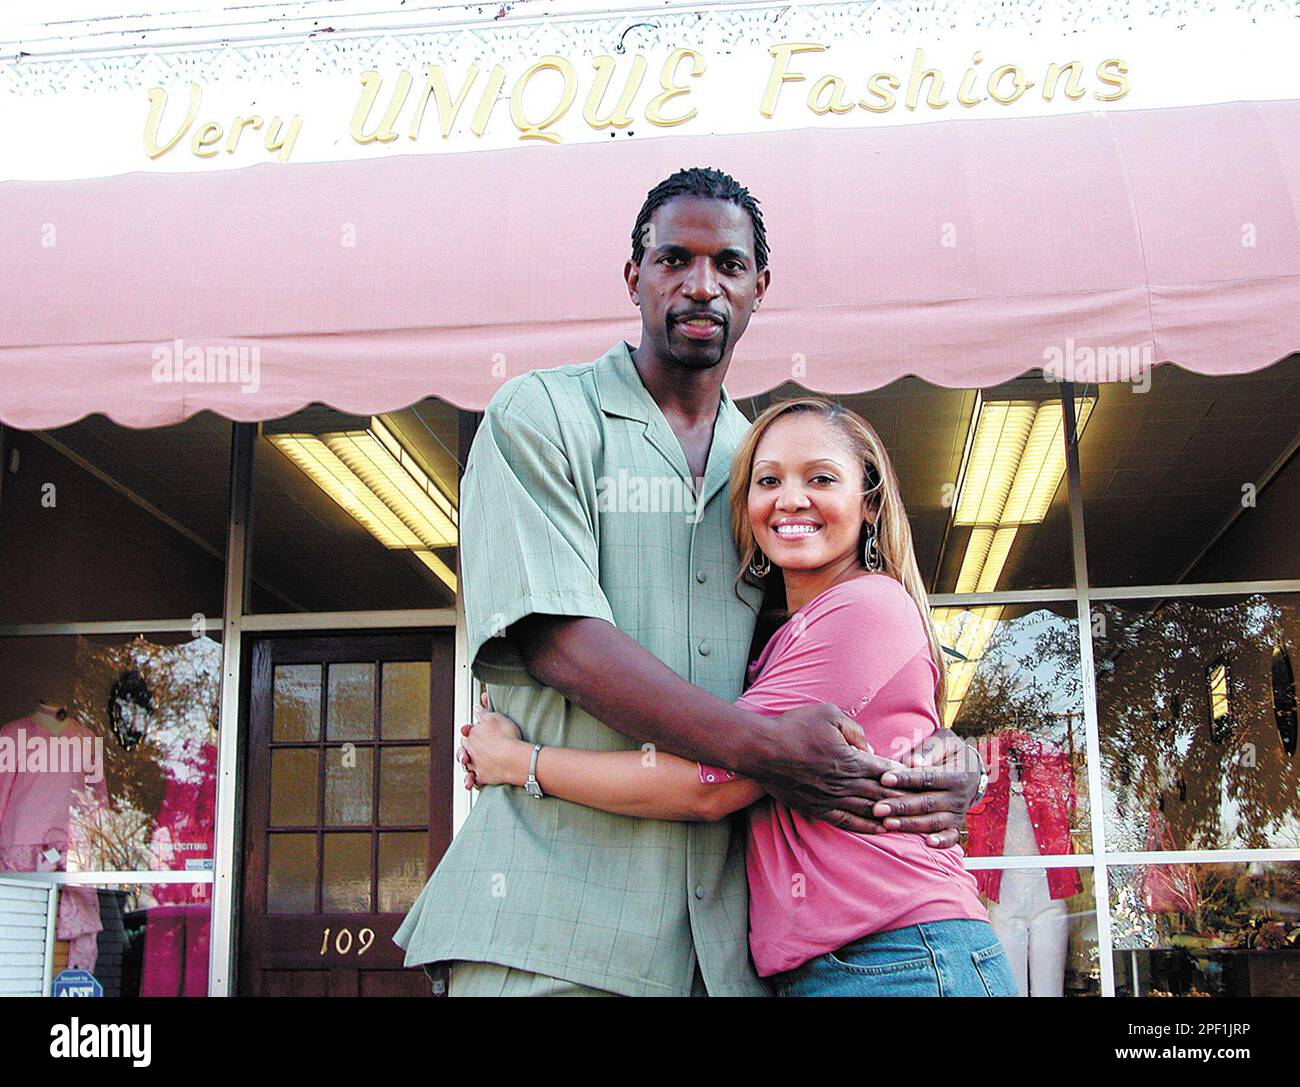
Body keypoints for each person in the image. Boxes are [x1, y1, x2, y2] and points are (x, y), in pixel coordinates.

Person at [393, 167, 985, 997]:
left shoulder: (769, 468)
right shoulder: (542, 416)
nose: (701, 285)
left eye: (729, 266)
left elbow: (840, 665)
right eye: (674, 259)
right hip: (554, 926)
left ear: (758, 288)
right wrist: (765, 749)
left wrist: (945, 761)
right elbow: (560, 644)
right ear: (635, 277)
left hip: (725, 952)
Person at [461, 397, 1017, 996]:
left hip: (901, 956)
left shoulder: (867, 609)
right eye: (768, 480)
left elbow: (708, 787)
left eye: (822, 478)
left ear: (871, 503)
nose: (791, 499)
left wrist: (519, 763)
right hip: (842, 966)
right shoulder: (780, 638)